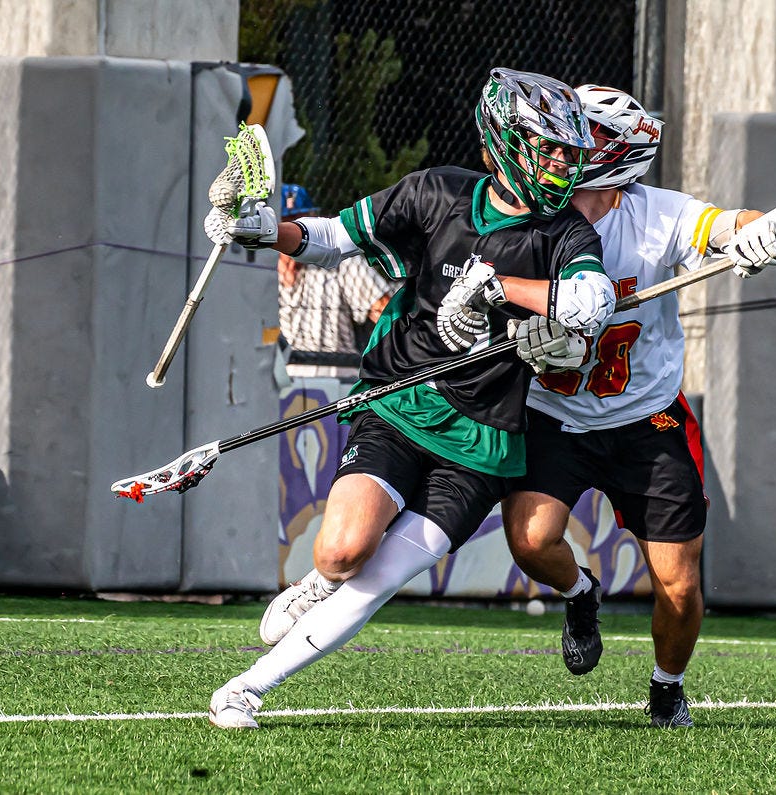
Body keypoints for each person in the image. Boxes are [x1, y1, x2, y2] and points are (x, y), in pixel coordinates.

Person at [203, 67, 617, 729]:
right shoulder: (436, 193)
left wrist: (499, 287)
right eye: (551, 148)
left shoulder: (568, 234)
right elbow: (332, 238)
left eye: (571, 152)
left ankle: (244, 690)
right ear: (503, 144)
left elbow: (594, 300)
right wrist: (261, 229)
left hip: (482, 443)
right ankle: (318, 582)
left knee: (379, 577)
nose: (565, 163)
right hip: (400, 402)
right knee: (340, 552)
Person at [502, 84, 776, 728]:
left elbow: (722, 224)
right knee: (531, 543)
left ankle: (668, 688)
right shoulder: (528, 206)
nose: (562, 148)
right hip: (554, 414)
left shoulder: (655, 214)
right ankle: (581, 593)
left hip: (646, 418)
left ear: (618, 152)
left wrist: (760, 228)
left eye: (582, 136)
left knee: (680, 585)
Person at [276, 183, 393, 380]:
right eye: (286, 221)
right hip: (282, 377)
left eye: (300, 220)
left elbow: (385, 310)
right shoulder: (262, 271)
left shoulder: (340, 260)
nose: (294, 229)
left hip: (337, 371)